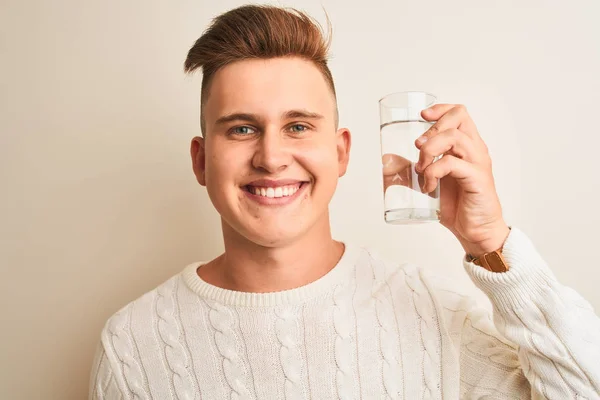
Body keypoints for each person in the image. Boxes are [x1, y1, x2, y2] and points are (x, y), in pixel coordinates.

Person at [89, 5, 600, 399]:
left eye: (297, 126)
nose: (271, 157)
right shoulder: (133, 344)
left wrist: (492, 242)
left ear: (340, 153)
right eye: (242, 128)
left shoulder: (438, 316)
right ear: (201, 161)